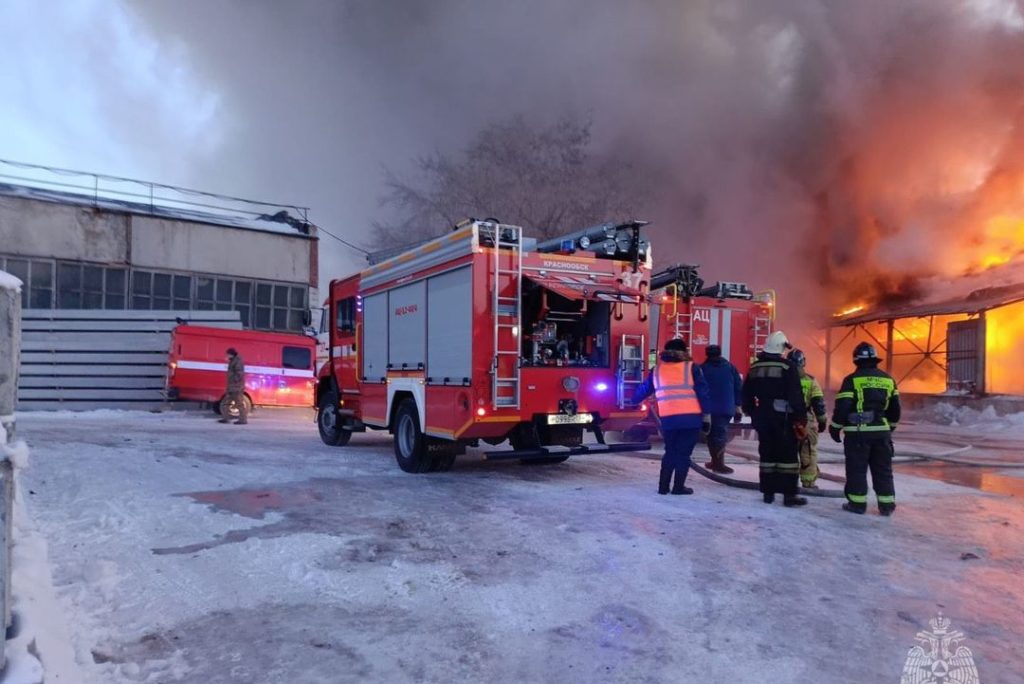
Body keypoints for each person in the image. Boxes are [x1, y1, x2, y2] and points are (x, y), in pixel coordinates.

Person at [633, 338, 712, 495]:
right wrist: (707, 415)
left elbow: (644, 389)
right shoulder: (691, 367)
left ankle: (663, 487)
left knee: (670, 452)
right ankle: (678, 487)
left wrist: (632, 400)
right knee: (683, 454)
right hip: (691, 419)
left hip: (669, 419)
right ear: (685, 352)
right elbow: (703, 393)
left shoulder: (657, 370)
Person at [830, 342, 901, 516]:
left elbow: (843, 406)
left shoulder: (851, 380)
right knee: (883, 470)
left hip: (858, 435)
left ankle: (857, 504)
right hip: (882, 434)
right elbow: (895, 409)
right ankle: (887, 505)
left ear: (856, 360)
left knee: (857, 469)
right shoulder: (888, 380)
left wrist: (835, 427)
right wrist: (888, 428)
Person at [741, 330, 808, 507]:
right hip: (783, 418)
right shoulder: (787, 367)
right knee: (787, 457)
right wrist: (801, 418)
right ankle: (789, 496)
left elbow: (746, 395)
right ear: (780, 347)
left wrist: (753, 414)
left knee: (767, 454)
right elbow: (796, 396)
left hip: (762, 417)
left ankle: (768, 493)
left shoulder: (755, 367)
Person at [787, 349, 828, 488]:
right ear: (803, 362)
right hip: (805, 421)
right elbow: (819, 404)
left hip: (785, 420)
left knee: (787, 453)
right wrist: (822, 421)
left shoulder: (782, 379)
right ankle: (809, 482)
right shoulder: (811, 381)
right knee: (808, 451)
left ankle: (787, 483)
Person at [699, 344, 743, 474]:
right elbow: (738, 386)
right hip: (726, 408)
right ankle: (717, 462)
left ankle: (718, 464)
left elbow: (700, 389)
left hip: (708, 409)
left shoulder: (702, 369)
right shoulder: (730, 367)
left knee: (712, 436)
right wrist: (738, 406)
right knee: (719, 435)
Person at [219, 347, 248, 425]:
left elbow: (239, 374)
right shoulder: (232, 361)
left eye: (228, 354)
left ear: (231, 354)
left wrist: (234, 382)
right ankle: (225, 418)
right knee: (226, 403)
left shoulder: (237, 361)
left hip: (236, 387)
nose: (226, 356)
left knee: (239, 404)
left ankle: (243, 420)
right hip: (231, 386)